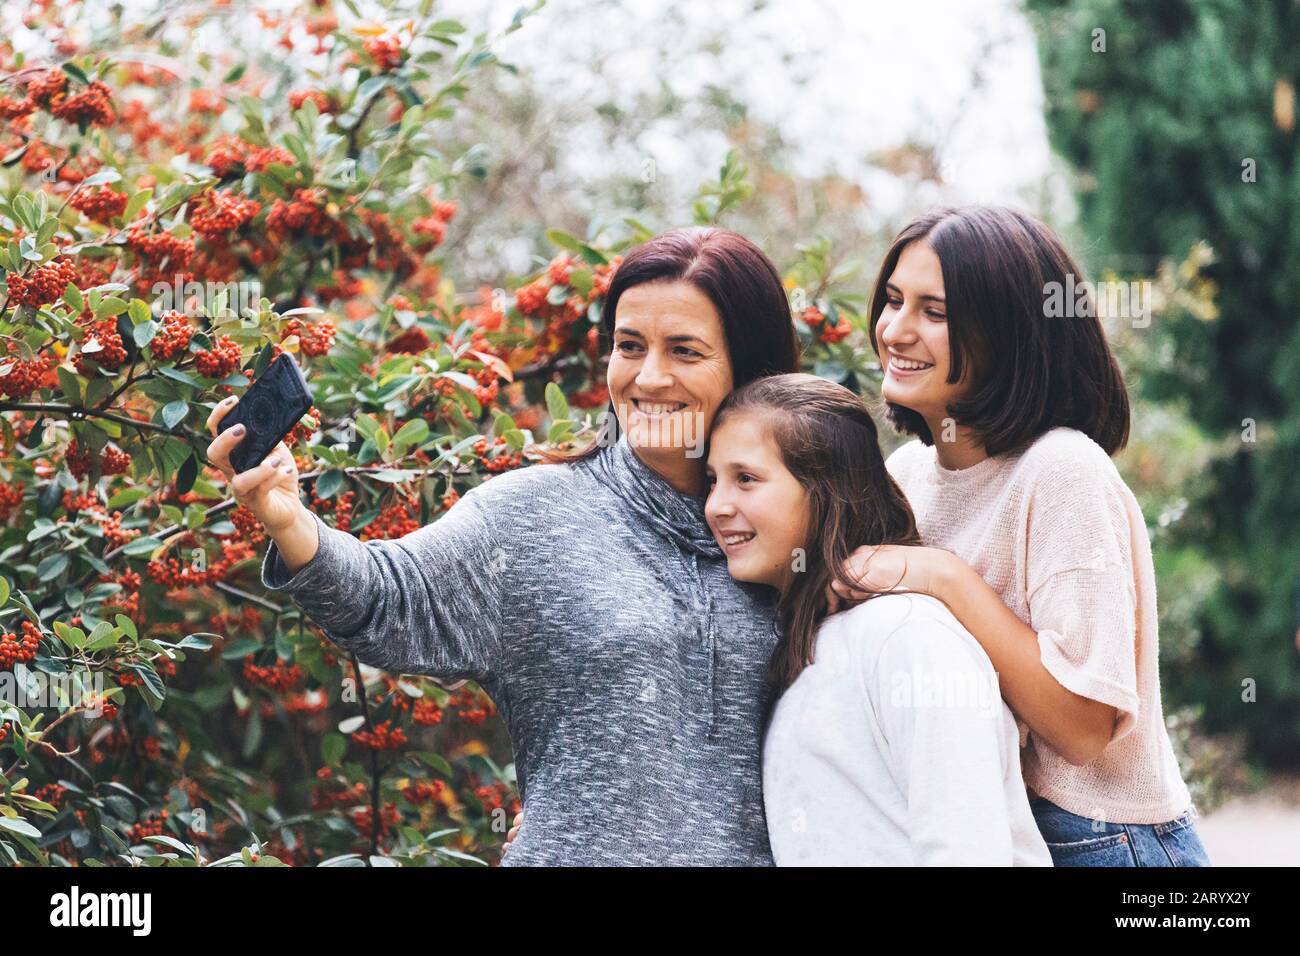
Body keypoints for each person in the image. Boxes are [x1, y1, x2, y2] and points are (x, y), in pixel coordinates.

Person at [205, 227, 799, 865]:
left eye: (685, 350)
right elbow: (383, 597)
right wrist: (287, 515)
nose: (649, 377)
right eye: (630, 346)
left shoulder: (803, 527)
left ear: (751, 366)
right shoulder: (534, 514)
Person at [833, 206, 1210, 866]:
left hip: (1097, 837)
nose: (894, 330)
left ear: (1007, 332)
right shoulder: (907, 476)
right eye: (892, 301)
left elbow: (1084, 727)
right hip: (986, 827)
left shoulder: (1061, 471)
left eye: (935, 311)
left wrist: (945, 578)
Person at [704, 372, 1051, 865]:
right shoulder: (809, 640)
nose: (717, 506)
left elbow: (966, 850)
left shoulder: (907, 636)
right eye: (712, 480)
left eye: (747, 479)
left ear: (823, 490)